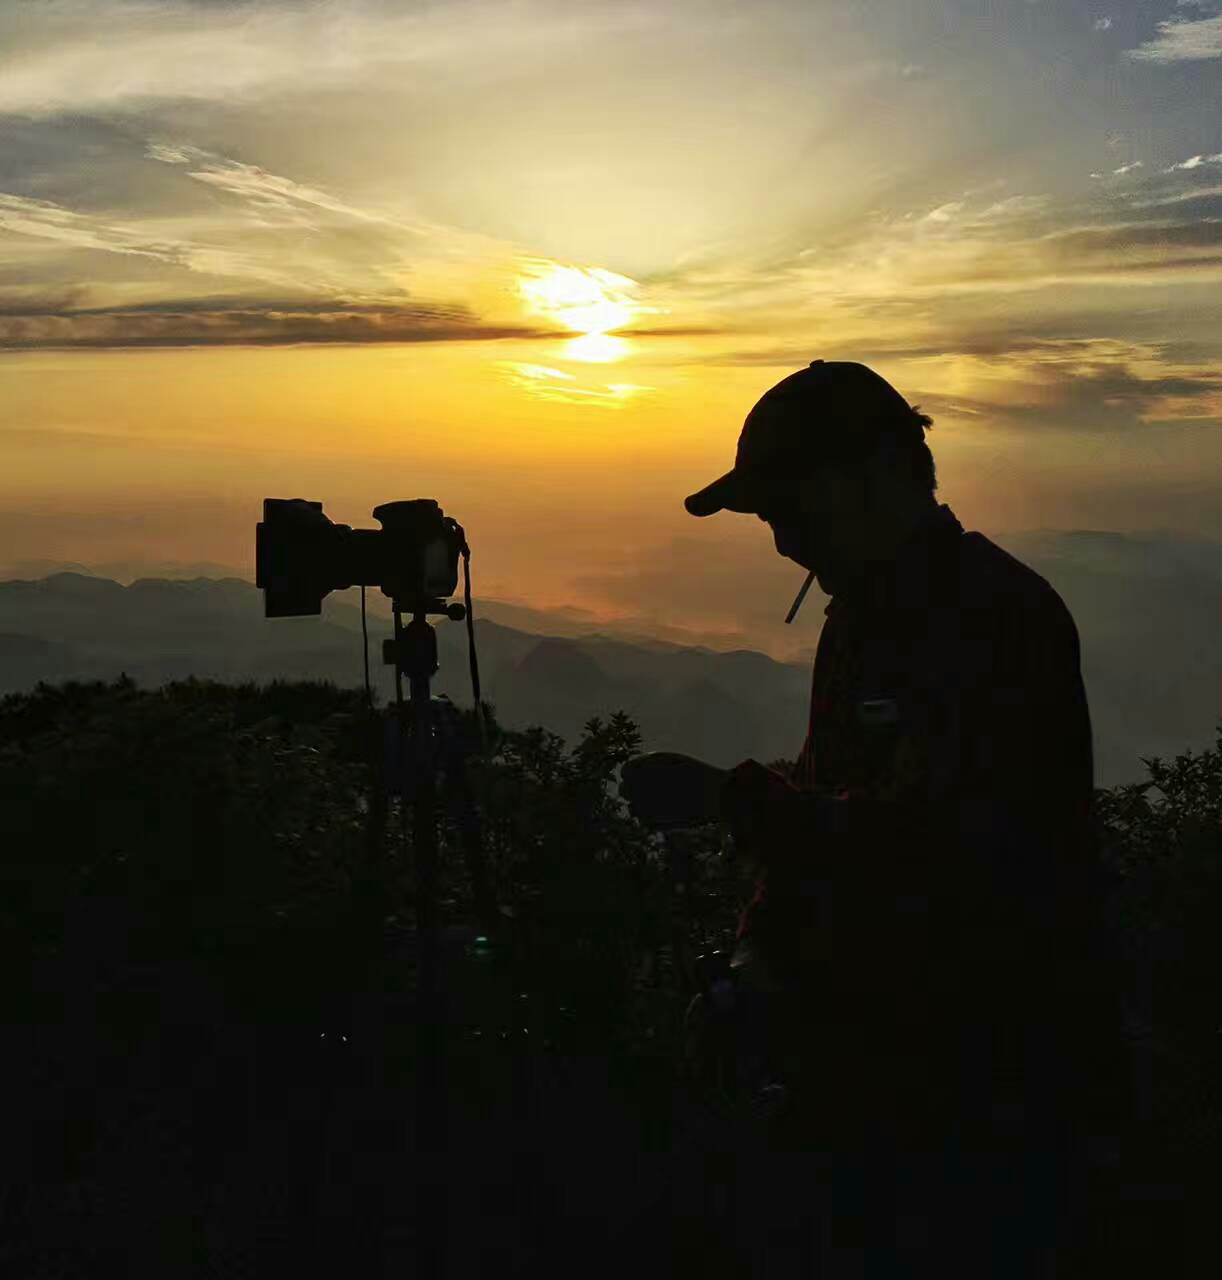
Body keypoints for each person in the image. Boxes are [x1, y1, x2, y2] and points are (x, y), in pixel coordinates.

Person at [622, 359, 1127, 1276]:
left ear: (882, 473)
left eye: (790, 509)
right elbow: (844, 808)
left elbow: (940, 848)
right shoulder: (868, 613)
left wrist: (729, 802)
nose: (781, 542)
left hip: (976, 1110)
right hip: (873, 1096)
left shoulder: (993, 617)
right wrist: (754, 963)